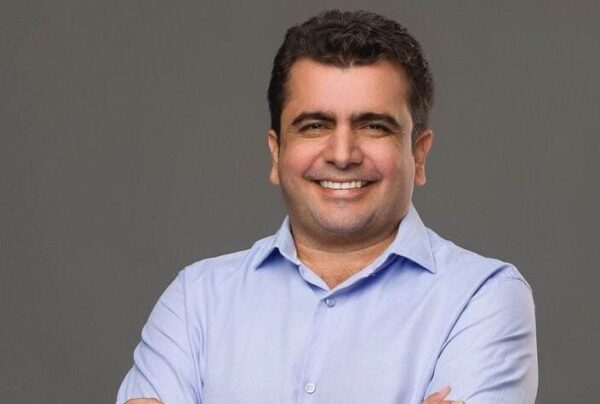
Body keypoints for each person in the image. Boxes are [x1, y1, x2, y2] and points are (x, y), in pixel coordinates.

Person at [116, 10, 538, 404]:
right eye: (315, 126)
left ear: (419, 154)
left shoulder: (483, 297)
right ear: (276, 153)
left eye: (374, 126)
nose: (342, 154)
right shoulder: (195, 300)